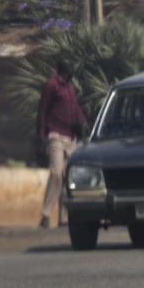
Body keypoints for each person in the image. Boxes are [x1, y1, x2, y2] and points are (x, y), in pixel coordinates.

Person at [37, 61, 88, 228]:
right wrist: (42, 136)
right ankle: (45, 214)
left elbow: (76, 110)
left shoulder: (71, 88)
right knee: (57, 173)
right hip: (55, 136)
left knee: (67, 178)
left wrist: (83, 123)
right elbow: (42, 111)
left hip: (70, 139)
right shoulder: (51, 85)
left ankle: (64, 217)